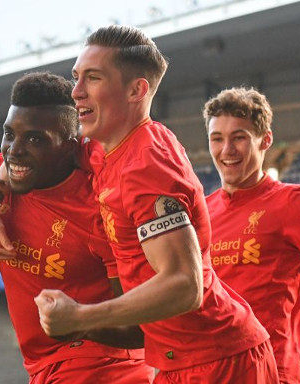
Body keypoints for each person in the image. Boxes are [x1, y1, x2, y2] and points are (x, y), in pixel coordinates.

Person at [32, 25, 279, 383]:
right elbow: (40, 154)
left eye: (93, 78)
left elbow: (184, 284)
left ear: (136, 90)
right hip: (177, 362)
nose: (76, 92)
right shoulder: (111, 145)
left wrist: (82, 317)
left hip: (221, 362)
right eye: (76, 77)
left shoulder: (146, 167)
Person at [0, 71, 153, 383]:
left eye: (35, 139)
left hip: (106, 366)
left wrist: (77, 321)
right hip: (42, 366)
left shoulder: (102, 204)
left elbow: (140, 328)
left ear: (72, 146)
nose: (14, 149)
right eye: (9, 134)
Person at [202, 86, 300, 383]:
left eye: (239, 137)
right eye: (217, 139)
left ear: (266, 140)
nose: (227, 150)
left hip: (270, 372)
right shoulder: (203, 212)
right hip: (207, 372)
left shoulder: (294, 202)